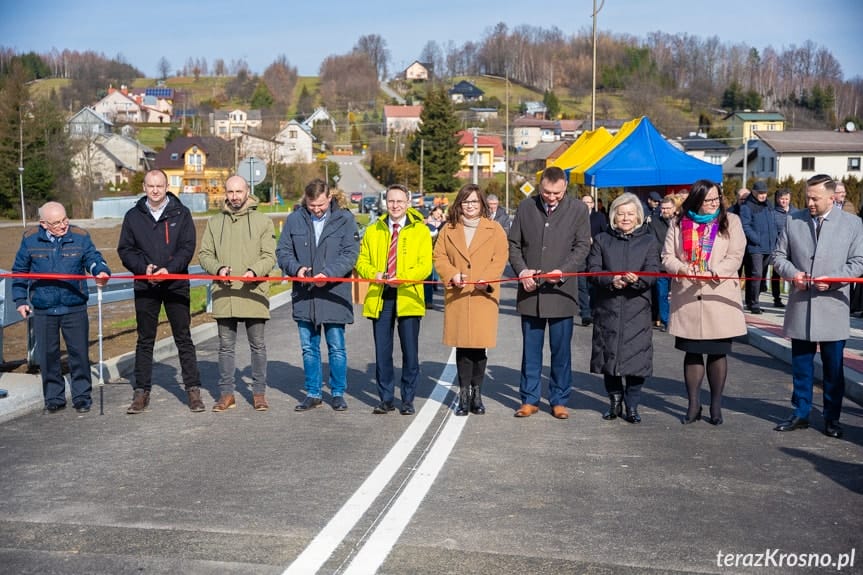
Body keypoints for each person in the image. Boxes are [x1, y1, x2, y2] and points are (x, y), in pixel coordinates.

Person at [772, 174, 863, 439]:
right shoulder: (793, 220)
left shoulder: (852, 224)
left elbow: (858, 262)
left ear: (832, 197)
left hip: (833, 306)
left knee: (833, 370)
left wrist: (834, 280)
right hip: (802, 305)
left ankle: (831, 418)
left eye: (815, 198)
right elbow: (778, 256)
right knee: (801, 367)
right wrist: (793, 273)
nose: (809, 202)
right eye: (807, 197)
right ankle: (800, 413)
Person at [118, 169, 205, 414]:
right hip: (146, 285)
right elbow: (125, 250)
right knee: (145, 339)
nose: (155, 190)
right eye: (150, 186)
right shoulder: (133, 216)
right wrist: (143, 268)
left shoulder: (181, 213)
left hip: (175, 283)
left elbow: (187, 248)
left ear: (167, 186)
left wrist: (170, 269)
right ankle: (141, 391)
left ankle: (192, 390)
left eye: (159, 185)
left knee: (183, 338)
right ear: (144, 187)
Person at [508, 166, 591, 419]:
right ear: (539, 185)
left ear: (565, 188)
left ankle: (559, 399)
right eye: (546, 192)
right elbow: (513, 244)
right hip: (530, 292)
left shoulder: (578, 210)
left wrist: (563, 271)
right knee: (531, 350)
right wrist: (522, 272)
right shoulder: (525, 207)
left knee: (561, 350)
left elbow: (581, 247)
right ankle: (529, 399)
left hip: (561, 292)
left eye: (556, 193)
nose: (551, 197)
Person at [12, 202, 111, 414]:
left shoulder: (80, 235)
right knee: (48, 356)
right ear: (44, 224)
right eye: (57, 223)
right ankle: (54, 398)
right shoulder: (30, 239)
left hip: (73, 305)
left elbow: (93, 258)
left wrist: (100, 271)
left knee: (79, 354)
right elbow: (20, 271)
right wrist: (20, 300)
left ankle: (82, 397)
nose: (63, 225)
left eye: (65, 219)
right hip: (44, 308)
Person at [662, 180, 747, 425]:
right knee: (693, 352)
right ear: (696, 201)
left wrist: (716, 272)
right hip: (688, 295)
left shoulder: (731, 222)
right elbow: (667, 256)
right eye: (707, 200)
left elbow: (736, 255)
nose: (713, 204)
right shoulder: (678, 223)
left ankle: (716, 405)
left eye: (716, 198)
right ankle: (693, 404)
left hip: (718, 294)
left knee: (718, 353)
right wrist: (682, 268)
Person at [278, 179, 359, 412]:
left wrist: (329, 274)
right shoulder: (294, 219)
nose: (316, 209)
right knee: (308, 347)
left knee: (337, 347)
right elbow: (283, 251)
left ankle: (337, 393)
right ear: (306, 199)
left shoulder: (345, 219)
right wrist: (296, 269)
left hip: (334, 295)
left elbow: (350, 254)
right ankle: (313, 393)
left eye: (321, 205)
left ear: (329, 198)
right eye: (312, 205)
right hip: (305, 296)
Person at [199, 175, 276, 413]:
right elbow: (204, 255)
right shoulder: (214, 222)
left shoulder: (263, 221)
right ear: (225, 193)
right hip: (225, 293)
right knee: (225, 347)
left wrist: (255, 271)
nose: (234, 197)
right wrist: (218, 269)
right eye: (230, 192)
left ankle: (259, 393)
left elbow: (269, 256)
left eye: (238, 192)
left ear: (247, 192)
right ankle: (226, 394)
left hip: (254, 292)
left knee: (258, 346)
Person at [356, 184, 433, 415]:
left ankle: (407, 399)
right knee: (382, 351)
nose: (395, 205)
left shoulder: (420, 230)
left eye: (400, 201)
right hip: (381, 296)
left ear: (408, 203)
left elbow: (425, 265)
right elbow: (362, 261)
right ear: (385, 203)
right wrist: (375, 275)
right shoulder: (373, 230)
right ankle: (386, 398)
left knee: (410, 352)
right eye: (391, 201)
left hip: (408, 295)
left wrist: (404, 278)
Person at [432, 184, 508, 415]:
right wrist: (451, 274)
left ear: (482, 204)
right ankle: (463, 394)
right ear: (459, 205)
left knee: (479, 349)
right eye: (466, 202)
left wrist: (487, 278)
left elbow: (500, 257)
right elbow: (439, 256)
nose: (471, 206)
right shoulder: (449, 229)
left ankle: (477, 393)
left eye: (475, 201)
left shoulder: (494, 229)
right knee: (463, 348)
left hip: (483, 295)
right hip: (458, 294)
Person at [588, 193, 660, 423]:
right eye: (621, 213)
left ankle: (632, 405)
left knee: (636, 360)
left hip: (637, 308)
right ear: (613, 216)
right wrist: (612, 281)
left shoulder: (649, 241)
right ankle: (614, 401)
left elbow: (653, 271)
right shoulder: (601, 240)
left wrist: (635, 280)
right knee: (609, 358)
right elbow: (593, 269)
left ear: (638, 216)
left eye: (630, 213)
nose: (625, 218)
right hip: (608, 307)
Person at [739, 180, 777, 314]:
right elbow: (745, 226)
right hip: (755, 247)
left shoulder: (768, 204)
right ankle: (754, 304)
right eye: (760, 193)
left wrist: (774, 240)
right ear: (753, 192)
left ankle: (752, 301)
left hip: (768, 246)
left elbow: (772, 223)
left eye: (764, 193)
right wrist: (756, 239)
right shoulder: (747, 206)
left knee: (760, 277)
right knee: (756, 274)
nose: (763, 195)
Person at [577, 194, 608, 327]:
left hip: (595, 255)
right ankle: (585, 313)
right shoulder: (575, 217)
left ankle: (593, 309)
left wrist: (593, 240)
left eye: (588, 202)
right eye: (583, 202)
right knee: (581, 285)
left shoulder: (599, 217)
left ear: (593, 204)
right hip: (579, 255)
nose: (586, 204)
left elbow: (604, 234)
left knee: (593, 285)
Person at [647, 195, 675, 330]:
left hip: (677, 265)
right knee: (662, 294)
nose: (664, 211)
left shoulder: (679, 222)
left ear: (674, 208)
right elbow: (653, 242)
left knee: (676, 294)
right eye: (662, 208)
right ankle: (666, 320)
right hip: (661, 264)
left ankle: (676, 318)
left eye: (667, 208)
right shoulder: (654, 222)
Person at [770, 189, 793, 308]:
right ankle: (776, 298)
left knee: (792, 273)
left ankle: (792, 298)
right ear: (777, 199)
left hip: (793, 248)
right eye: (782, 199)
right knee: (776, 274)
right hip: (779, 247)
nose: (784, 201)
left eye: (786, 199)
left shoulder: (796, 212)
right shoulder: (773, 213)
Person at [424, 205, 446, 308]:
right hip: (424, 253)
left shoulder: (441, 224)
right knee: (426, 275)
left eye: (440, 213)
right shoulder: (426, 223)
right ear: (432, 212)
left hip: (434, 251)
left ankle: (429, 300)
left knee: (431, 273)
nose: (439, 215)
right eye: (437, 213)